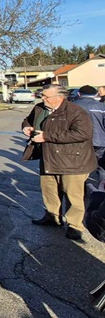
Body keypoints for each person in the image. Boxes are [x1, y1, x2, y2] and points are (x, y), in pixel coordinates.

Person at [23, 84, 97, 241]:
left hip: (73, 160)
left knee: (73, 195)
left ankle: (75, 225)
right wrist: (27, 127)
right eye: (42, 95)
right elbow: (27, 120)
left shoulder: (75, 111)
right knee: (49, 190)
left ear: (60, 97)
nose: (42, 98)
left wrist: (46, 136)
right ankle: (52, 217)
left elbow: (83, 134)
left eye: (46, 96)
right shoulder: (39, 108)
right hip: (48, 158)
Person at [72, 85, 105, 183]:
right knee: (102, 167)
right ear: (96, 94)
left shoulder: (72, 106)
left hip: (78, 142)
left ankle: (81, 191)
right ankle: (102, 190)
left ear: (79, 94)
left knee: (80, 168)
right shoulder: (101, 106)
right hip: (100, 142)